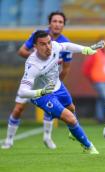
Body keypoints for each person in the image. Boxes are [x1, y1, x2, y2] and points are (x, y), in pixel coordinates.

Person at [15, 30, 99, 154]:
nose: (48, 47)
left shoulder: (54, 46)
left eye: (49, 42)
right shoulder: (32, 65)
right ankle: (88, 147)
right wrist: (41, 92)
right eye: (43, 44)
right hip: (42, 95)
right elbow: (22, 92)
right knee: (70, 118)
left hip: (58, 86)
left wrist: (85, 49)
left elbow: (67, 46)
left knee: (71, 108)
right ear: (35, 47)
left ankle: (73, 131)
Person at [2, 11, 71, 149]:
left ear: (63, 25)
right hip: (31, 80)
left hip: (48, 82)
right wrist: (39, 59)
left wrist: (56, 84)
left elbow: (66, 69)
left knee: (50, 108)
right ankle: (9, 140)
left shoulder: (66, 44)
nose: (57, 24)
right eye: (55, 21)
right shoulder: (38, 35)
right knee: (18, 109)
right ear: (49, 23)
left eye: (60, 22)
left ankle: (47, 137)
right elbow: (21, 51)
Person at [83, 48, 105, 123]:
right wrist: (90, 78)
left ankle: (100, 117)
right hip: (98, 80)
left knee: (101, 99)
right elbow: (87, 66)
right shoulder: (95, 53)